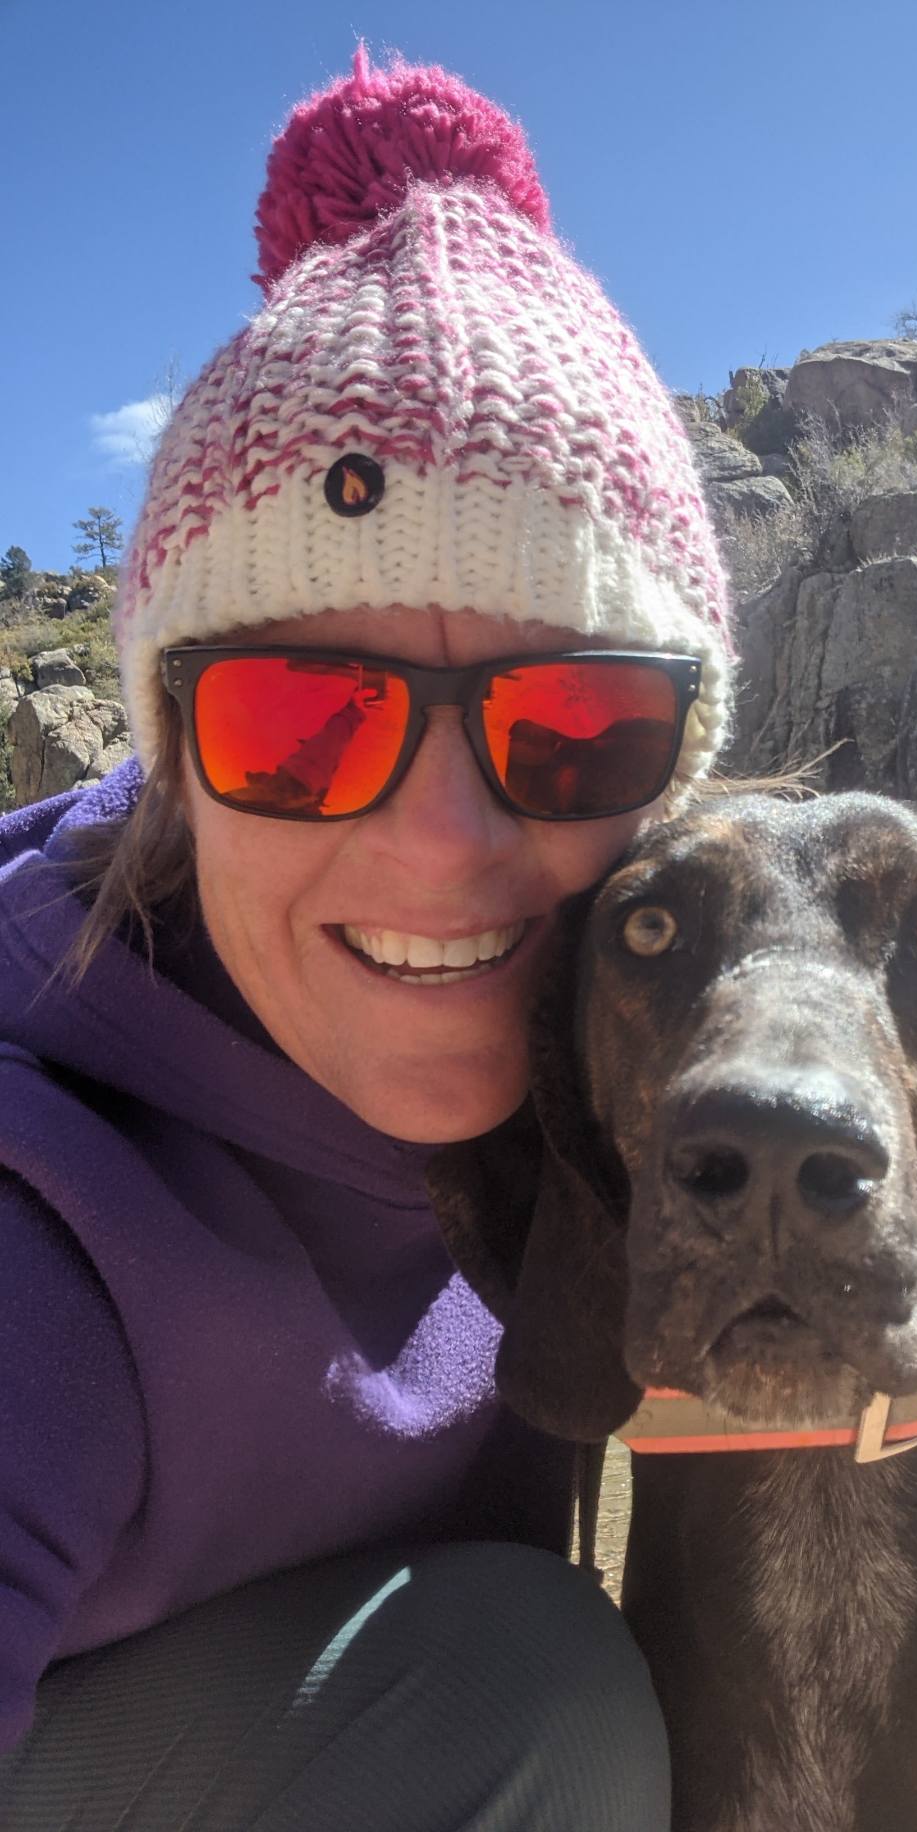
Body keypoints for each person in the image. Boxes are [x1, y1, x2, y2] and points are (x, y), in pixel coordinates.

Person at [0, 47, 733, 1829]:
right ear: (176, 767)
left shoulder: (658, 1070)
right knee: (523, 1699)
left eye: (571, 727)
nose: (440, 845)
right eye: (299, 725)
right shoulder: (45, 1220)